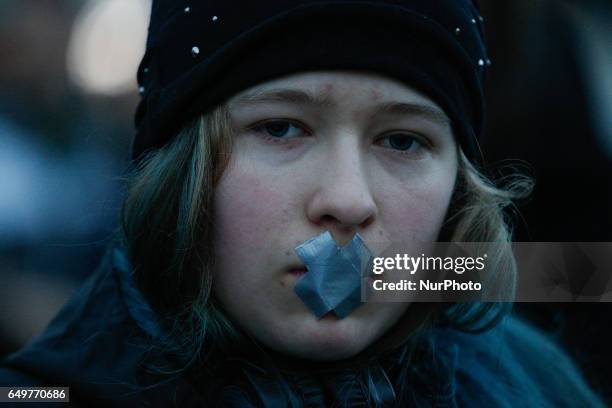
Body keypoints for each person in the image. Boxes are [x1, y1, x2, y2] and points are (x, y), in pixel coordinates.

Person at [0, 1, 605, 406]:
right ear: (180, 165)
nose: (347, 200)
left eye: (402, 140)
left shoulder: (531, 381)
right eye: (282, 128)